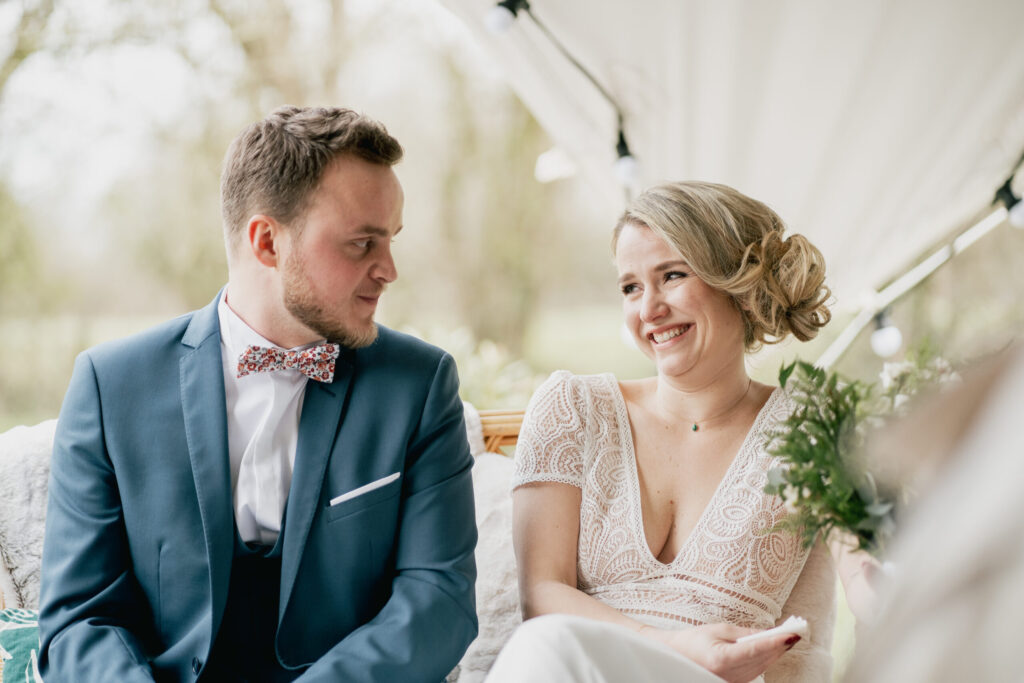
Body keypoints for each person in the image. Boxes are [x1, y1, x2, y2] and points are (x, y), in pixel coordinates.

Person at [37, 106, 478, 682]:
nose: (389, 269)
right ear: (267, 241)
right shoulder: (110, 386)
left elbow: (437, 601)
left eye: (391, 240)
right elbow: (78, 618)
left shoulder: (419, 385)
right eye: (362, 243)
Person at [486, 181, 834, 683]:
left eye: (671, 276)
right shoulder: (574, 408)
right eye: (630, 287)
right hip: (578, 669)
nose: (648, 310)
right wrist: (674, 647)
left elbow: (842, 604)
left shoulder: (809, 429)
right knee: (548, 642)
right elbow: (542, 595)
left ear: (737, 282)